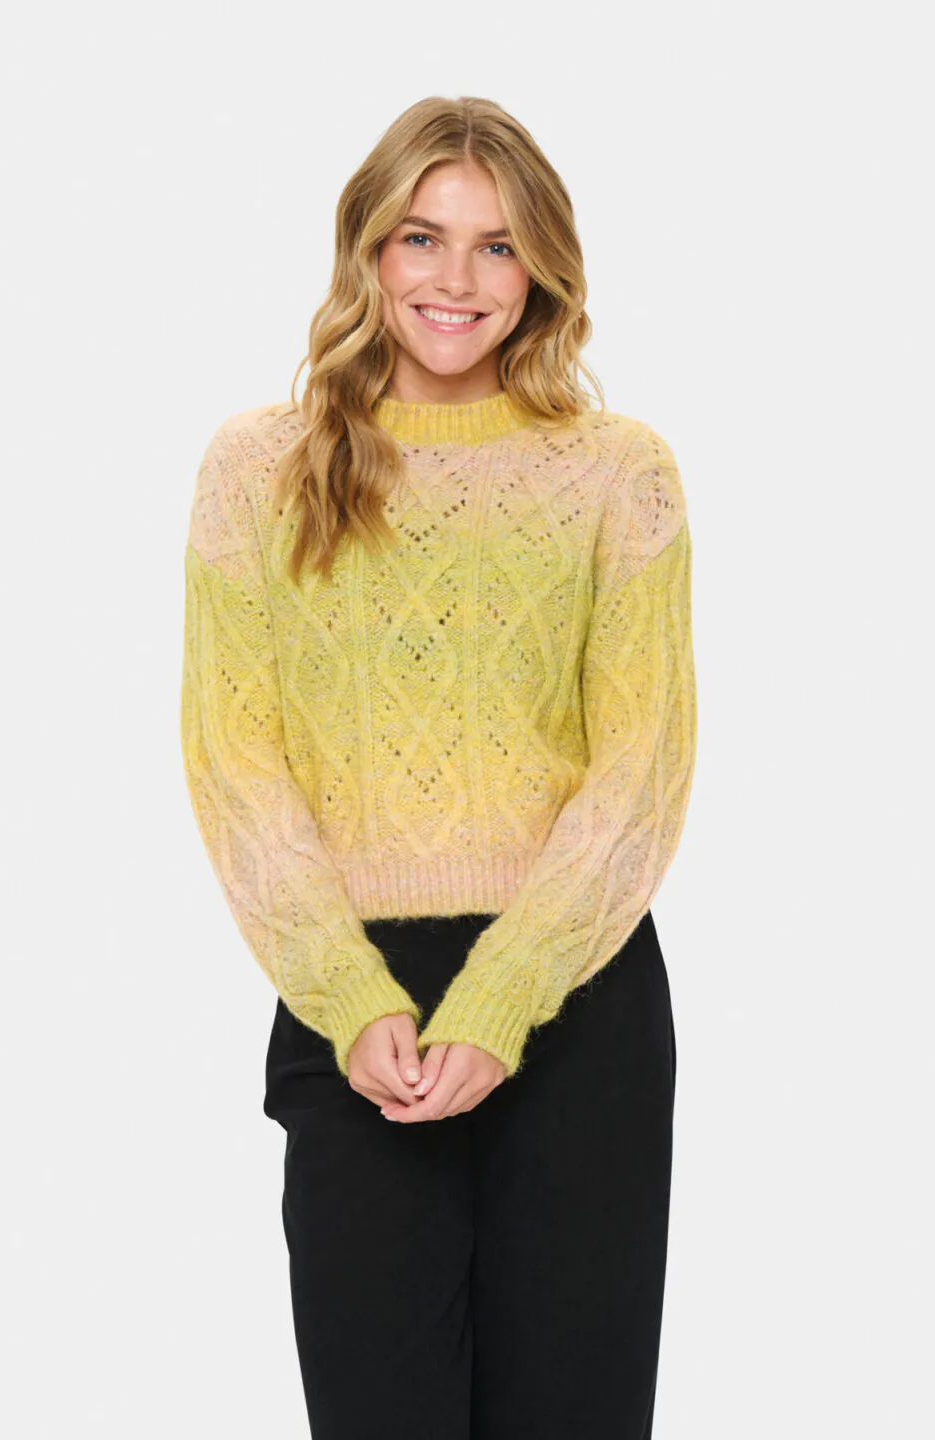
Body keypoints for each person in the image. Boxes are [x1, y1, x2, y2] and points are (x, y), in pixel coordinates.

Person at [180, 94, 697, 1440]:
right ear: (366, 247)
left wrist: (507, 991)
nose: (456, 278)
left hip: (576, 991)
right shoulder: (259, 469)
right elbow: (235, 760)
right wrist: (350, 996)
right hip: (353, 1007)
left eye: (498, 245)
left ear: (542, 272)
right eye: (423, 236)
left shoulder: (618, 474)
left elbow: (641, 769)